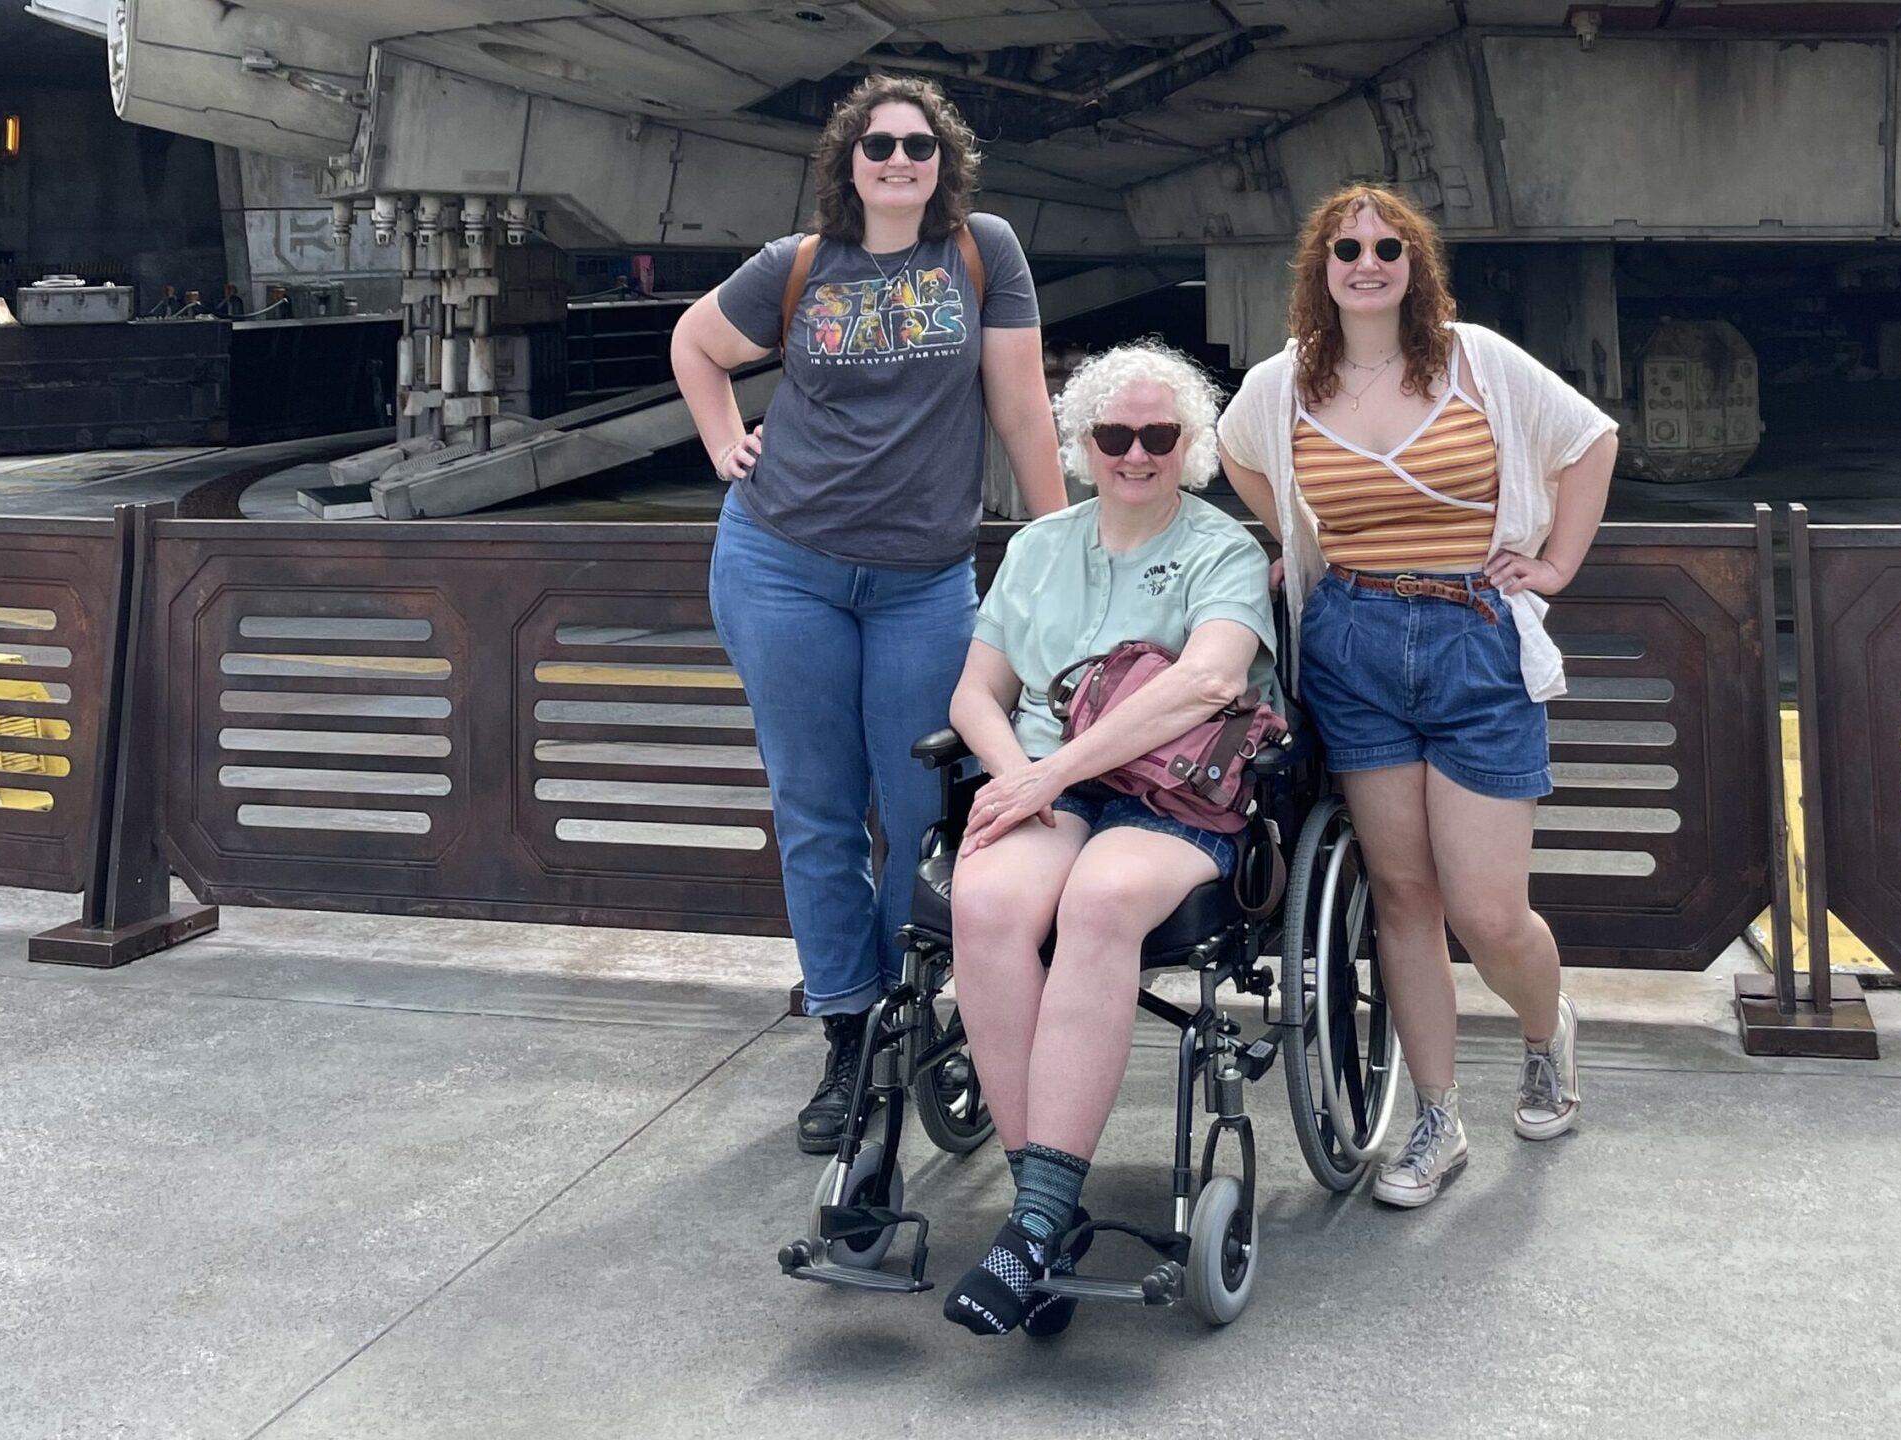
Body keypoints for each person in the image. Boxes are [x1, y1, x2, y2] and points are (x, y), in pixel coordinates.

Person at [669, 74, 1067, 1154]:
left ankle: (916, 1003)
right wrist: (720, 443)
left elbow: (1023, 410)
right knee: (817, 804)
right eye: (879, 145)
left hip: (921, 580)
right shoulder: (794, 266)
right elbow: (696, 346)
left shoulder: (982, 252)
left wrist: (1065, 553)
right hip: (779, 561)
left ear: (946, 166)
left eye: (920, 146)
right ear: (848, 162)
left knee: (929, 807)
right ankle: (848, 1028)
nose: (899, 160)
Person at [1217, 184, 1621, 1209]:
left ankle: (1544, 1032)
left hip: (1473, 636)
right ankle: (1437, 1119)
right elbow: (1234, 454)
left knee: (1488, 912)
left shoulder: (1473, 356)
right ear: (1321, 264)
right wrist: (1295, 544)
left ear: (1412, 262)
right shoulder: (1283, 385)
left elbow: (1589, 442)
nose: (1367, 261)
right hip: (1350, 639)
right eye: (1347, 247)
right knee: (1402, 897)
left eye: (1387, 246)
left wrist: (1558, 562)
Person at [934, 341, 1281, 1336]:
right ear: (1085, 445)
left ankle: (1034, 1226)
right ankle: (1041, 1209)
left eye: (1158, 436)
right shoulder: (1040, 547)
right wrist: (1016, 775)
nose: (1136, 453)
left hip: (1169, 796)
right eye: (1115, 435)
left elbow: (1208, 679)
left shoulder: (1217, 548)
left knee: (1097, 899)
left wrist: (1055, 772)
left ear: (1190, 446)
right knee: (989, 902)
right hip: (1044, 780)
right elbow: (975, 691)